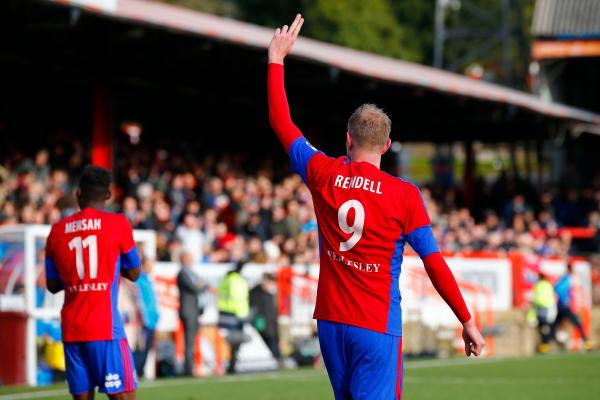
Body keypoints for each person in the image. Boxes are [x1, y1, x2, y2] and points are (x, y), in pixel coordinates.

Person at [267, 15, 485, 399]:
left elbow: (281, 122)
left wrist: (276, 59)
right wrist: (466, 320)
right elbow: (433, 262)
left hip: (332, 322)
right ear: (387, 146)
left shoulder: (323, 172)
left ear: (348, 139)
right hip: (375, 324)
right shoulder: (404, 195)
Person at [45, 165, 141, 400]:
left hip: (72, 330)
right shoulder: (118, 224)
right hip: (105, 328)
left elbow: (52, 284)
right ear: (108, 195)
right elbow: (135, 272)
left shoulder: (57, 231)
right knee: (123, 397)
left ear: (78, 193)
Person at [177, 251, 206, 376]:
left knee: (192, 341)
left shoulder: (192, 273)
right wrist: (200, 286)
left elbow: (202, 285)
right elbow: (196, 288)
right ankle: (188, 370)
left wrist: (201, 285)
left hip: (194, 311)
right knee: (189, 341)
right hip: (188, 311)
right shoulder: (182, 274)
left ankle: (192, 367)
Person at [218, 260, 249, 374]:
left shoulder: (226, 279)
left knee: (232, 342)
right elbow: (238, 299)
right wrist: (242, 316)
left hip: (226, 314)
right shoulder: (236, 280)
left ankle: (231, 364)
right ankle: (232, 365)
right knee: (235, 342)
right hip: (235, 315)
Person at [551, 263, 591, 349]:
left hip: (562, 306)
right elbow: (559, 289)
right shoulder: (567, 279)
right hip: (565, 306)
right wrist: (566, 301)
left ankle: (545, 344)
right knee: (577, 323)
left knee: (554, 325)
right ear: (570, 270)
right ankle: (586, 342)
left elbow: (555, 288)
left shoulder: (564, 279)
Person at [133, 257, 160, 378]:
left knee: (147, 348)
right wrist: (143, 318)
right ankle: (136, 371)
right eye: (148, 265)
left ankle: (141, 371)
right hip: (144, 321)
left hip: (152, 320)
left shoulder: (148, 280)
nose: (151, 267)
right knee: (141, 348)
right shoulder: (139, 280)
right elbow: (139, 301)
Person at [249, 273, 280, 360]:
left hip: (272, 321)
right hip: (261, 320)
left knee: (273, 340)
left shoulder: (270, 293)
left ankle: (276, 358)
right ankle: (274, 358)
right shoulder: (255, 292)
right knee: (266, 340)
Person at [531, 272, 556, 353]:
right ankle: (545, 345)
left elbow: (535, 298)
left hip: (541, 308)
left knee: (543, 327)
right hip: (548, 307)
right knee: (546, 327)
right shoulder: (548, 284)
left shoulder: (537, 285)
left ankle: (545, 345)